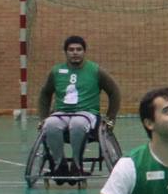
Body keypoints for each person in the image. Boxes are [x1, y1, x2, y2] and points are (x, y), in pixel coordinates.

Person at [36, 35, 120, 180]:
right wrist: (43, 117)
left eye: (79, 49)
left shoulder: (95, 70)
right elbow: (45, 94)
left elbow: (114, 92)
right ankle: (59, 164)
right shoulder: (56, 72)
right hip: (61, 113)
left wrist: (111, 118)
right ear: (66, 52)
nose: (75, 52)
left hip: (87, 113)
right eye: (71, 49)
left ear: (84, 52)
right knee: (50, 124)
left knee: (77, 124)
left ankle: (77, 164)